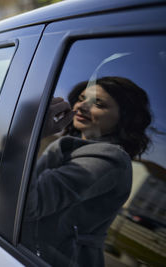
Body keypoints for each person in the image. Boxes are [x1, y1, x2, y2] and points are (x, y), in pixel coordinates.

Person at [21, 76, 152, 267]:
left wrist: (27, 135)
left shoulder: (108, 159)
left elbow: (29, 206)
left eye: (98, 103)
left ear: (124, 117)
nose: (81, 106)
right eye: (81, 98)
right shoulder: (75, 148)